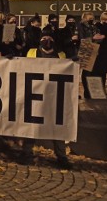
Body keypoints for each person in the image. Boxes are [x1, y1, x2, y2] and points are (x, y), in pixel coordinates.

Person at [22, 34, 72, 169]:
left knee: (58, 126)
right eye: (44, 38)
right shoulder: (32, 52)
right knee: (32, 125)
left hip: (55, 96)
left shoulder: (61, 55)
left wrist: (72, 63)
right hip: (35, 95)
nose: (47, 41)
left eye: (50, 38)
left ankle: (62, 157)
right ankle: (26, 153)